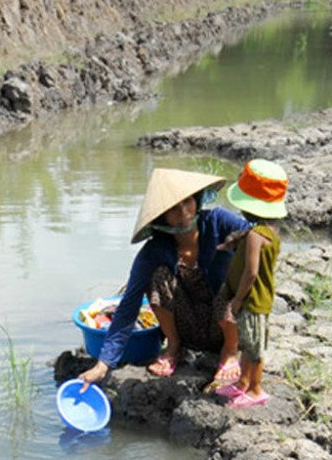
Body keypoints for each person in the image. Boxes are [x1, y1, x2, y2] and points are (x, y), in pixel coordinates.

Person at [78, 168, 252, 391]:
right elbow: (130, 304)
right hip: (190, 327)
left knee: (226, 279)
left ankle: (229, 351)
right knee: (157, 277)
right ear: (163, 218)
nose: (184, 212)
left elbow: (260, 240)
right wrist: (103, 364)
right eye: (174, 209)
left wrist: (240, 239)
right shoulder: (155, 251)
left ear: (196, 200)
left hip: (227, 321)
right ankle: (174, 346)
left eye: (187, 202)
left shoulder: (219, 222)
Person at [211, 159, 288, 408]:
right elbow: (250, 236)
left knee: (254, 349)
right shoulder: (267, 231)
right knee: (247, 344)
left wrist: (237, 300)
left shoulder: (256, 236)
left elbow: (251, 273)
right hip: (257, 300)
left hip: (253, 301)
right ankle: (243, 383)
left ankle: (255, 389)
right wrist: (234, 238)